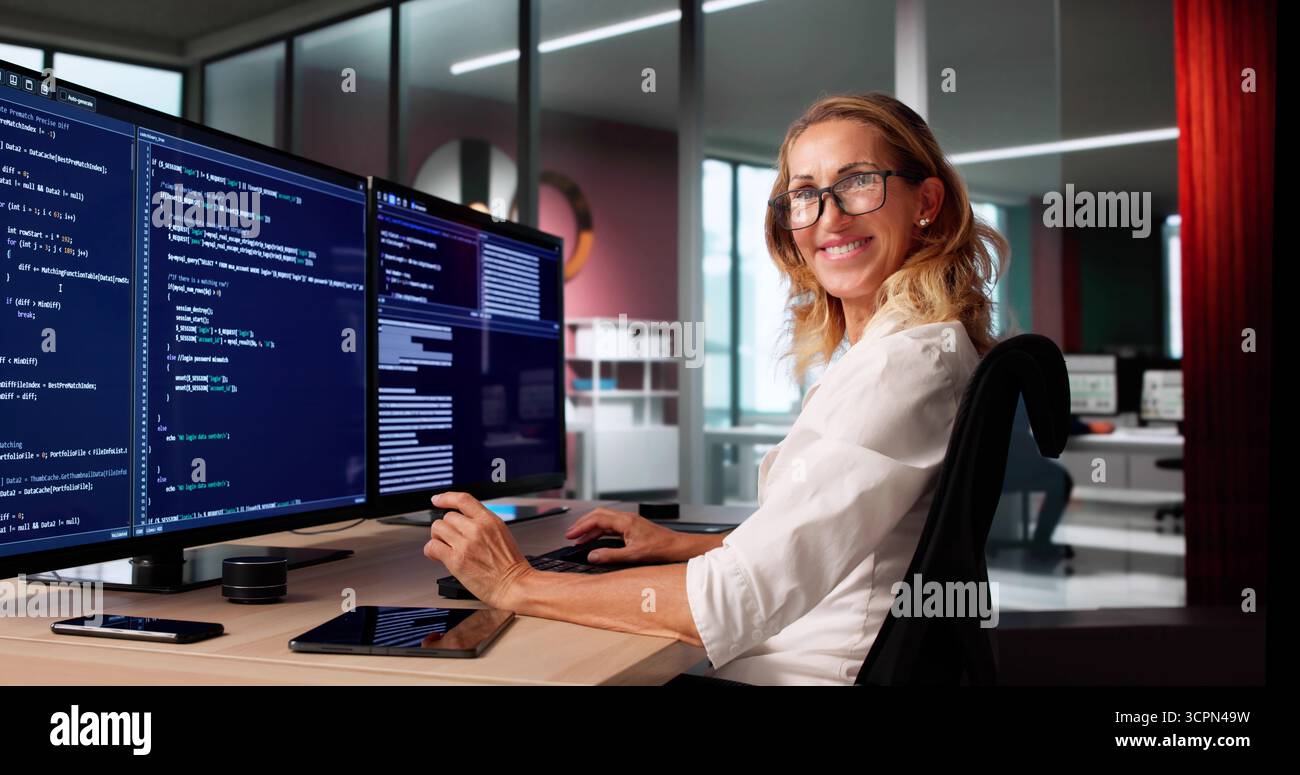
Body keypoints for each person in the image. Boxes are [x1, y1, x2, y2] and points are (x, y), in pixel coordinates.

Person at [421, 92, 1007, 685]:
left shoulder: (899, 369)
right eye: (805, 194)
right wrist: (678, 546)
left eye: (857, 182)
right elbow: (821, 537)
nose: (829, 217)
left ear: (926, 202)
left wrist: (516, 582)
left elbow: (728, 604)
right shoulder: (915, 351)